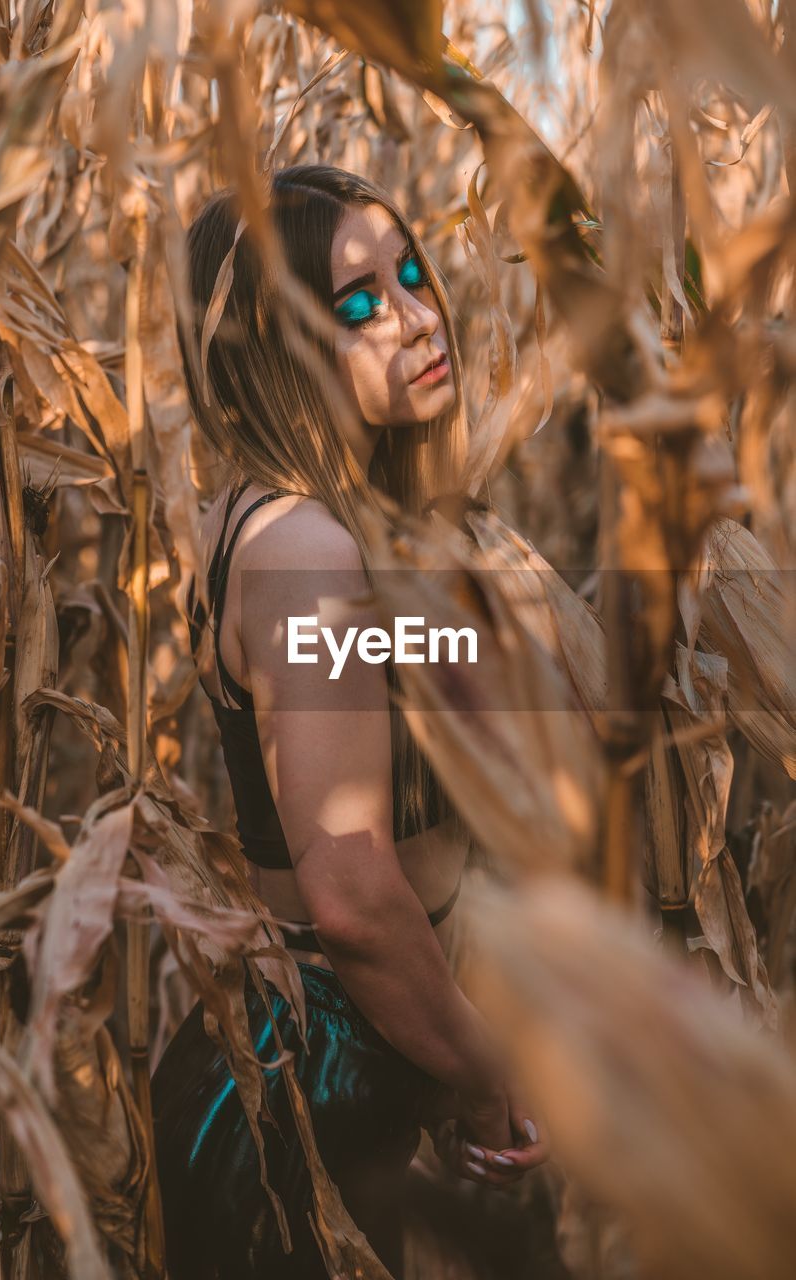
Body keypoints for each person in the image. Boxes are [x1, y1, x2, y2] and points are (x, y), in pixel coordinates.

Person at [151, 164, 549, 1279]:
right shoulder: (303, 549)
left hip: (341, 1061)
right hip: (307, 1092)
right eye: (361, 305)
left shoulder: (283, 522)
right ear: (275, 347)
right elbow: (352, 894)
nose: (421, 318)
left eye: (411, 275)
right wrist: (476, 1076)